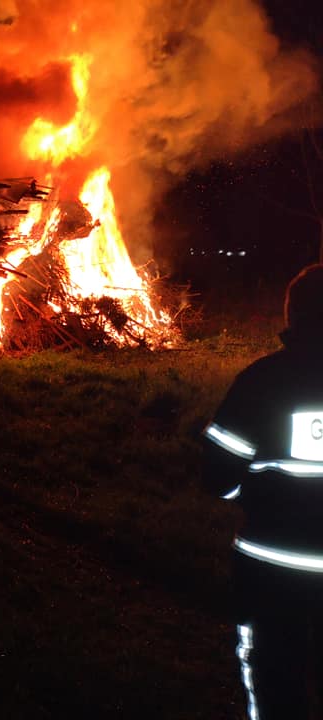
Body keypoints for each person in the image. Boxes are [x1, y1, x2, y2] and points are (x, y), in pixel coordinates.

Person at [203, 263, 323, 719]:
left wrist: (251, 495)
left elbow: (217, 475)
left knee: (276, 687)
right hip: (273, 566)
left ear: (293, 316)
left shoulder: (262, 381)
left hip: (272, 569)